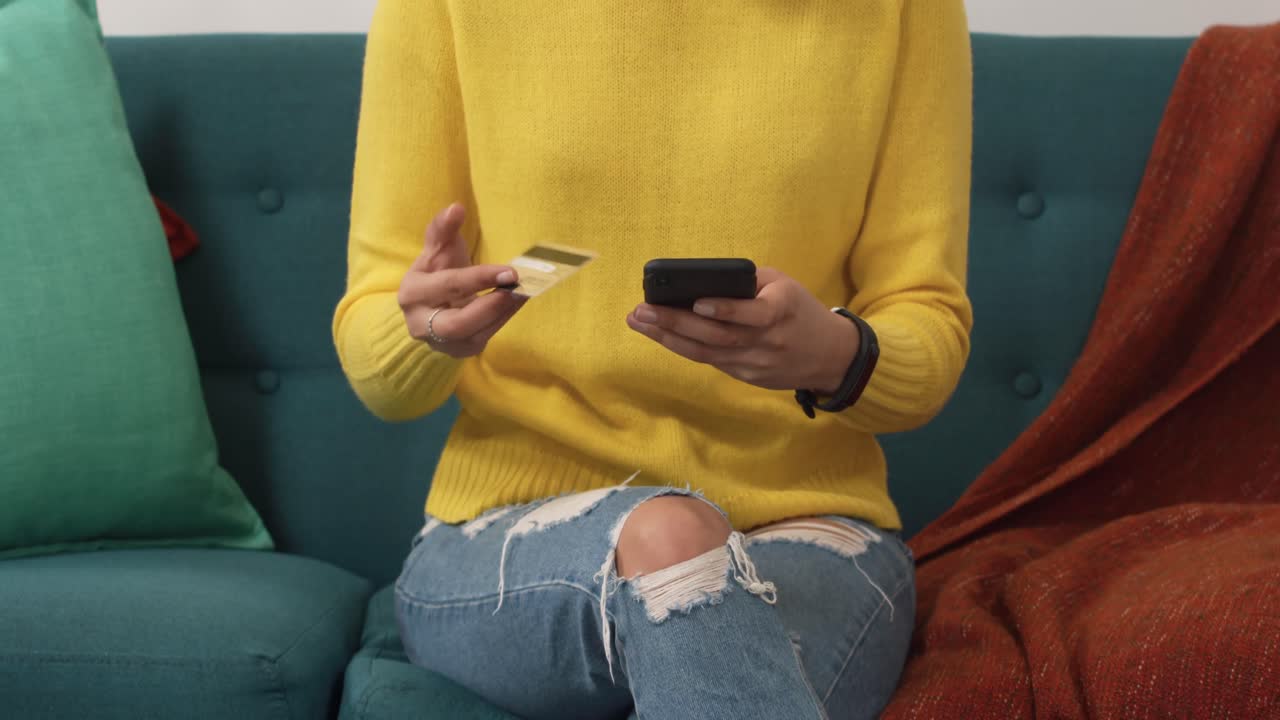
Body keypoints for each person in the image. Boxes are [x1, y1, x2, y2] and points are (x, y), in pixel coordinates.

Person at [333, 0, 973, 717]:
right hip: (511, 530)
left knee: (688, 583)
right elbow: (380, 365)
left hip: (808, 529)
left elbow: (928, 325)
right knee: (675, 543)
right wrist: (427, 330)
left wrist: (834, 356)